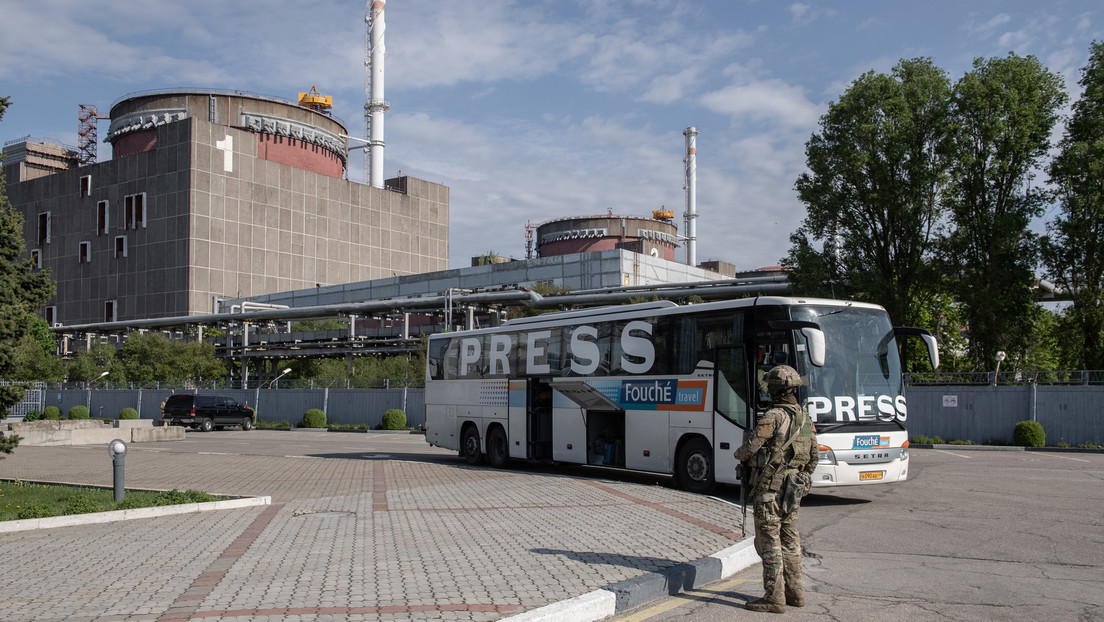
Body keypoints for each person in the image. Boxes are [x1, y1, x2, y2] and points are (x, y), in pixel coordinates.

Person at [734, 364, 818, 614]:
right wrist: (796, 477)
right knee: (790, 541)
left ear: (774, 390)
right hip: (793, 491)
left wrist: (740, 454)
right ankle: (796, 594)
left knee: (770, 543)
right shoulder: (805, 418)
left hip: (770, 491)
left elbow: (749, 450)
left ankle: (774, 598)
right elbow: (813, 459)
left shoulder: (773, 417)